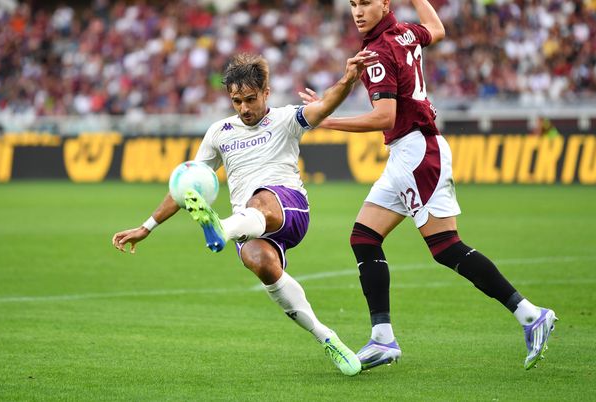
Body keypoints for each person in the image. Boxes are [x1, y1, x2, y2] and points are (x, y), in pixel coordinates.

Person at [299, 0, 557, 370]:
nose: (357, 11)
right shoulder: (402, 31)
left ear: (384, 3)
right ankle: (383, 339)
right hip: (410, 151)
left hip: (416, 153)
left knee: (446, 247)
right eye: (353, 3)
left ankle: (531, 314)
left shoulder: (376, 51)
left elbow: (384, 116)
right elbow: (436, 29)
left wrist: (326, 120)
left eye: (366, 3)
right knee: (364, 237)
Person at [112, 51, 379, 376]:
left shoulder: (286, 119)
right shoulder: (219, 133)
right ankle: (328, 338)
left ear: (266, 92)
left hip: (287, 206)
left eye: (250, 99)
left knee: (259, 202)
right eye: (236, 101)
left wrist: (349, 78)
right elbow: (186, 186)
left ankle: (220, 229)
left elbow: (324, 106)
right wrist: (147, 226)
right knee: (260, 263)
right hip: (248, 226)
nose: (244, 108)